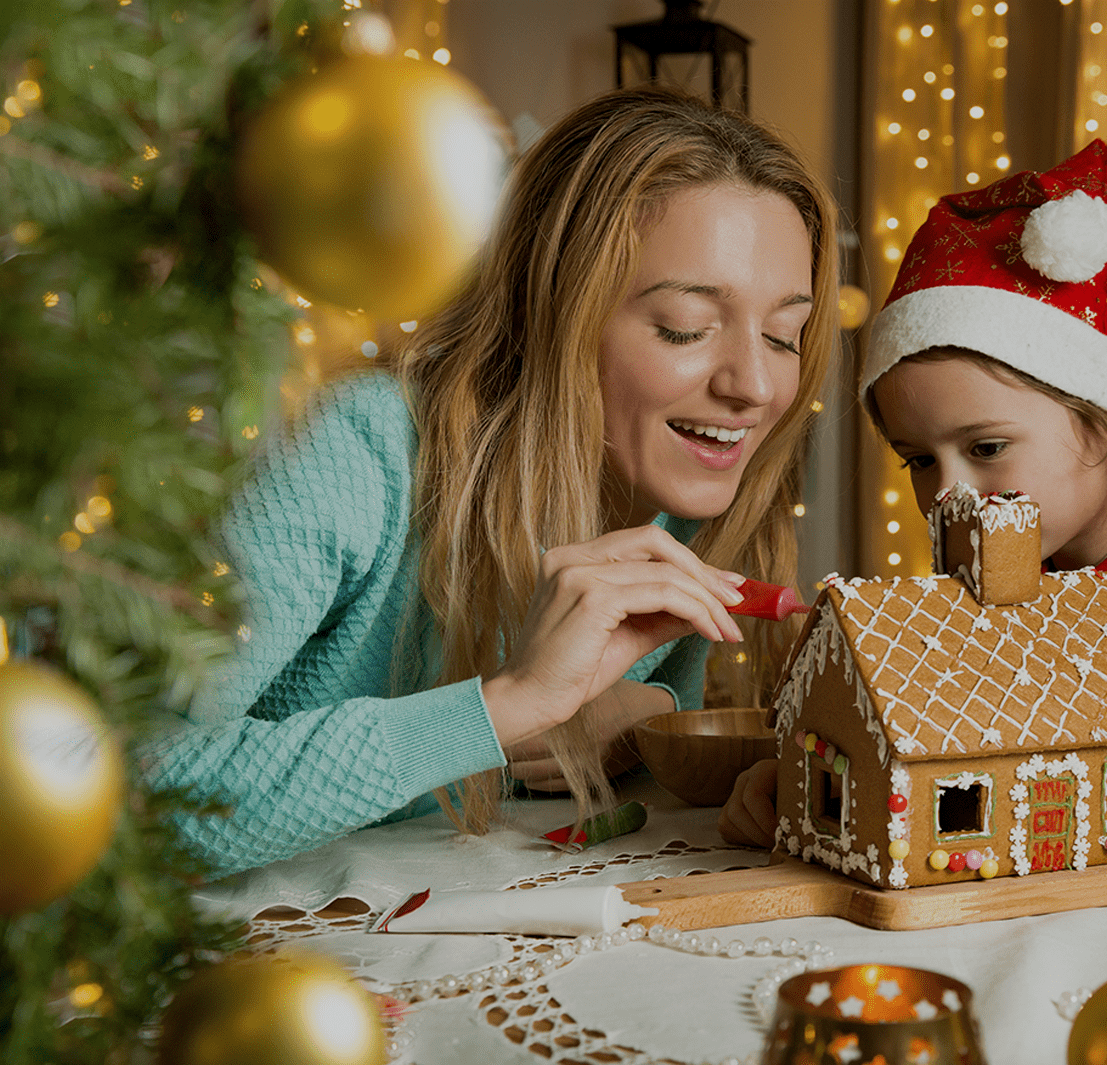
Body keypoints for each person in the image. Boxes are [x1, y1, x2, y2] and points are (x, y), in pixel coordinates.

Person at [143, 88, 837, 876]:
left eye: (785, 333)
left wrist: (650, 720)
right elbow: (137, 797)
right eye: (685, 325)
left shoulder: (685, 492)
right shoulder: (358, 451)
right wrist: (503, 707)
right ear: (553, 311)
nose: (753, 384)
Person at [721, 140, 1107, 861]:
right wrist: (820, 780)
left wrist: (1043, 779)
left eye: (986, 447)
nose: (947, 493)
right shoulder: (1005, 553)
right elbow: (943, 732)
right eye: (919, 459)